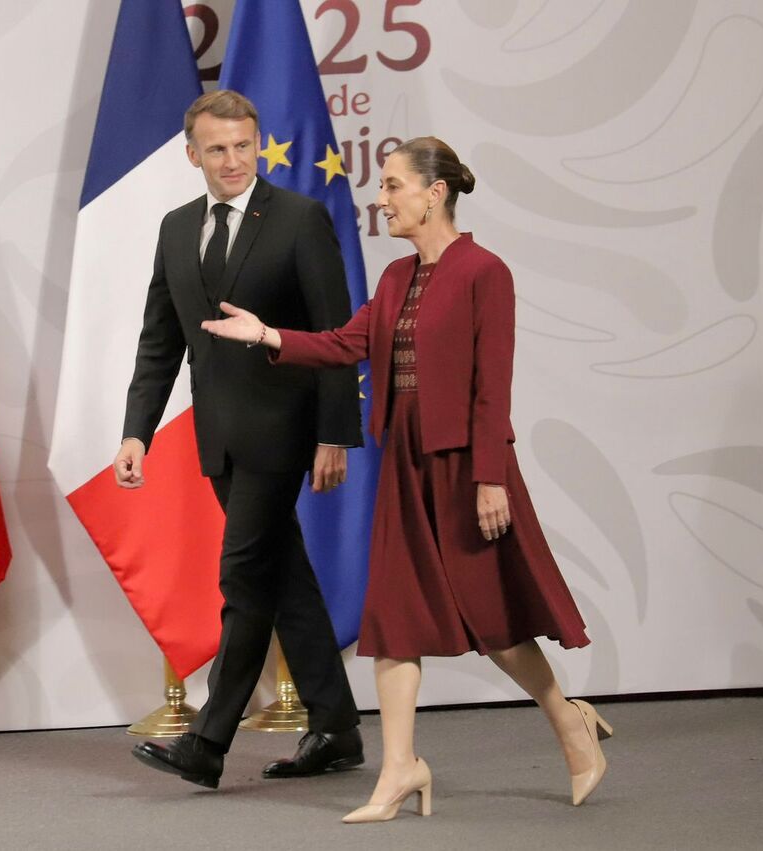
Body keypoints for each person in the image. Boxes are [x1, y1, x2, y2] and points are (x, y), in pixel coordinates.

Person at [202, 136, 613, 821]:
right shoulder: (394, 279)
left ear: (435, 192)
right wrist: (269, 334)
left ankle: (567, 719)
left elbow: (492, 387)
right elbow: (343, 344)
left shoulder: (486, 272)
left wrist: (490, 479)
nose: (382, 197)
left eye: (393, 185)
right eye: (383, 186)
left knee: (495, 620)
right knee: (392, 618)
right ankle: (399, 768)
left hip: (466, 466)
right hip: (405, 462)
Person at [117, 90, 366, 789]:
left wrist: (333, 434)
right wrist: (137, 429)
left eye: (243, 145)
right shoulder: (174, 228)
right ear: (191, 153)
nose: (233, 160)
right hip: (219, 435)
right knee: (283, 575)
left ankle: (208, 739)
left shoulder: (299, 219)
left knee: (245, 576)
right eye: (218, 148)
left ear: (258, 144)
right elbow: (160, 339)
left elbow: (335, 335)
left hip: (284, 430)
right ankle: (336, 726)